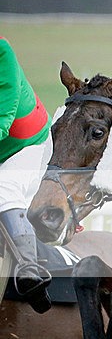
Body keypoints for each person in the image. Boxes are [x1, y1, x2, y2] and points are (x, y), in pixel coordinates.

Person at [0, 36, 53, 312]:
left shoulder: (2, 52)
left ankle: (29, 268)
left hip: (27, 145)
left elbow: (3, 119)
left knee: (4, 186)